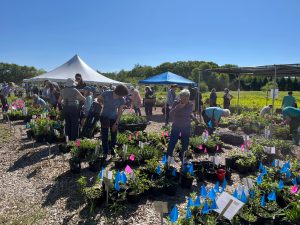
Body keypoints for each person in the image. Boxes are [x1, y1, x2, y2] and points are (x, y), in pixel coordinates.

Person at [166, 89, 198, 162]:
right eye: (183, 98)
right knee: (172, 142)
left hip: (186, 126)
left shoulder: (190, 104)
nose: (185, 99)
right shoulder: (176, 103)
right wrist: (179, 107)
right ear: (180, 97)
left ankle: (183, 158)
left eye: (187, 98)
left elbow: (190, 113)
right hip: (176, 125)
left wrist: (193, 117)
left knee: (185, 143)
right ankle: (168, 157)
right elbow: (171, 114)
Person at [96, 84, 128, 156]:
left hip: (114, 118)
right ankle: (105, 152)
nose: (123, 96)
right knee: (105, 135)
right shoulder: (106, 93)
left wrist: (116, 123)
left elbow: (119, 112)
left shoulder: (121, 100)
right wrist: (101, 102)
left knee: (114, 135)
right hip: (104, 117)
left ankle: (113, 151)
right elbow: (98, 99)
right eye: (122, 94)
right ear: (119, 92)